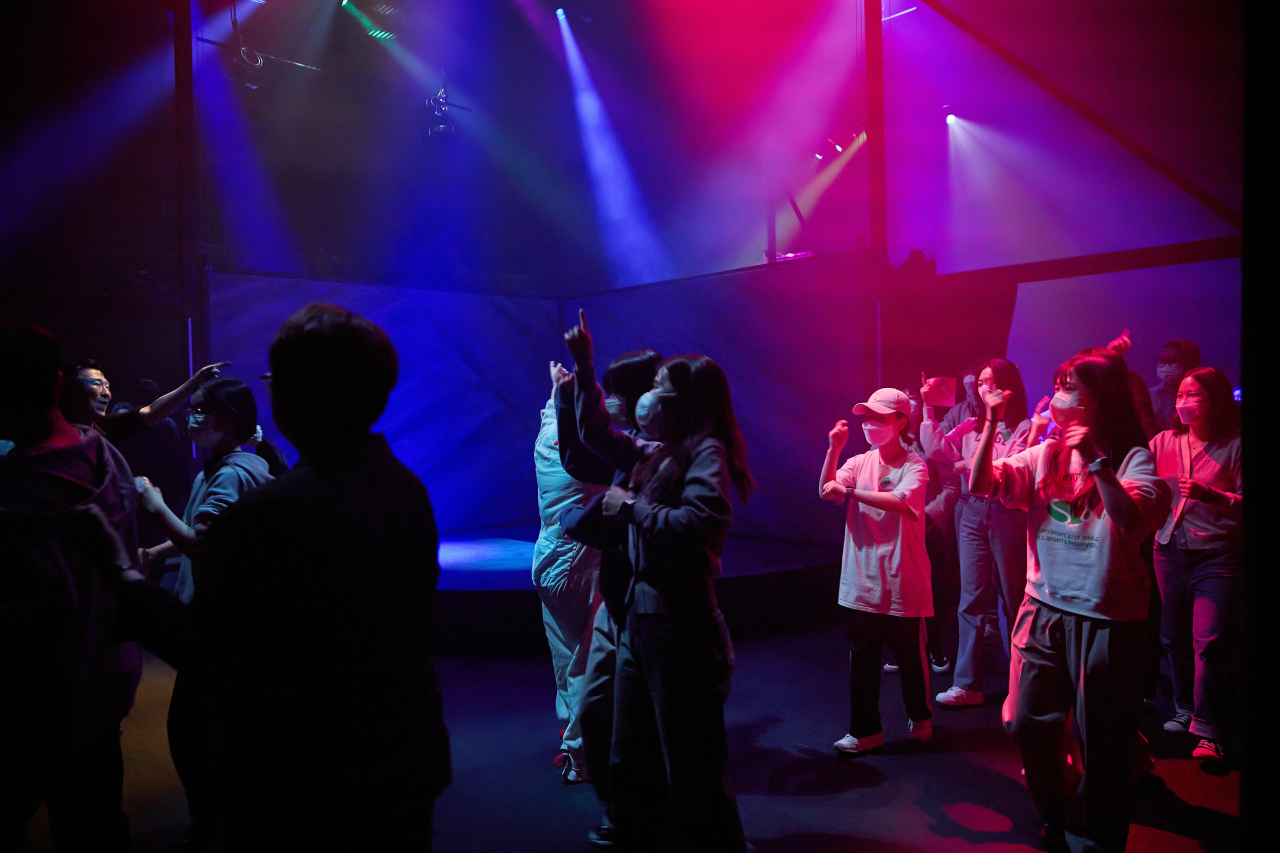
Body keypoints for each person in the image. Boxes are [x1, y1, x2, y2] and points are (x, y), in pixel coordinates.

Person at [107, 303, 451, 850]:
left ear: (291, 395)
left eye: (275, 380)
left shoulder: (276, 511)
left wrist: (122, 575)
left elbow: (210, 647)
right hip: (401, 760)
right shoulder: (407, 490)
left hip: (303, 783)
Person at [565, 309, 751, 853]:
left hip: (679, 622)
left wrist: (632, 509)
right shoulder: (657, 450)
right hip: (642, 623)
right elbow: (597, 433)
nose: (649, 398)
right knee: (630, 749)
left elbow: (700, 522)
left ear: (685, 403)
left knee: (693, 760)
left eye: (662, 388)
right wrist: (583, 366)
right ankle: (638, 832)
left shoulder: (705, 452)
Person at [970, 350, 1171, 852]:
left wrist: (1099, 462)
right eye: (1057, 383)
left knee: (1102, 740)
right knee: (1022, 719)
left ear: (1097, 400)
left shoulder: (1133, 458)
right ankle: (1056, 808)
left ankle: (1099, 833)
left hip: (1106, 615)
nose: (1057, 393)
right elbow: (981, 484)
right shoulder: (1045, 453)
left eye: (1068, 386)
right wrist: (993, 420)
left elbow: (1129, 521)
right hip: (1043, 605)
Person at [0, 321, 142, 853]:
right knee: (95, 824)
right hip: (102, 687)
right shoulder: (107, 458)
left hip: (34, 706)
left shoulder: (14, 492)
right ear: (59, 385)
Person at [133, 378, 273, 849]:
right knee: (211, 733)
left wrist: (154, 507)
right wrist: (155, 553)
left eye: (200, 411)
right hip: (224, 627)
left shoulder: (230, 474)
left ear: (230, 420)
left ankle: (214, 830)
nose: (190, 419)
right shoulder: (217, 471)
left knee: (194, 736)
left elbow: (205, 546)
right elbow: (201, 532)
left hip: (220, 629)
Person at [555, 347, 664, 849]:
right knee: (600, 709)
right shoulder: (638, 448)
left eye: (621, 393)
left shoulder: (682, 455)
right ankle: (625, 813)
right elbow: (582, 451)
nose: (615, 402)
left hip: (656, 607)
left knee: (655, 726)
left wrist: (621, 512)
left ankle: (657, 820)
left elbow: (700, 525)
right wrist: (573, 384)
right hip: (618, 597)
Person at [820, 387, 934, 755]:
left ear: (901, 422)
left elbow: (900, 501)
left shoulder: (915, 465)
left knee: (910, 660)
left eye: (878, 418)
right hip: (862, 580)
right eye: (866, 418)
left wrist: (850, 492)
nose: (869, 425)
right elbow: (827, 491)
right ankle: (865, 731)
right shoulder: (858, 462)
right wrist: (834, 449)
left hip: (903, 579)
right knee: (863, 661)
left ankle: (920, 716)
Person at [921, 359, 1032, 707]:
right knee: (970, 596)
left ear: (1008, 388)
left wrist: (968, 463)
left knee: (1014, 597)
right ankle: (967, 684)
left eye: (991, 382)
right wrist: (926, 405)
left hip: (1006, 512)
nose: (983, 388)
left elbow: (1009, 466)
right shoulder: (971, 423)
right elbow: (935, 448)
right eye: (981, 382)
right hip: (970, 510)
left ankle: (1023, 683)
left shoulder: (1023, 426)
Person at [1149, 367, 1242, 763]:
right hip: (1168, 549)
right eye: (1180, 396)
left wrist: (1214, 496)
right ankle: (1183, 707)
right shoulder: (1163, 441)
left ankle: (1208, 729)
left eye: (1194, 396)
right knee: (1172, 634)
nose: (1183, 402)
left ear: (1215, 400)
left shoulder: (1234, 446)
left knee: (1209, 640)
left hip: (1218, 553)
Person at [535, 361, 606, 785]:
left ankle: (572, 741)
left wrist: (557, 389)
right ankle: (581, 755)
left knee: (566, 660)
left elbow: (553, 414)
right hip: (580, 563)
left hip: (547, 559)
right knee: (586, 663)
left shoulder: (546, 440)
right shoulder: (588, 460)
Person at [899, 386, 960, 675]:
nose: (906, 412)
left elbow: (951, 486)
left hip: (929, 527)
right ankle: (905, 650)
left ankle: (935, 646)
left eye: (911, 406)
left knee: (933, 590)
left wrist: (928, 518)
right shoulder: (882, 444)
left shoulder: (929, 443)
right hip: (897, 528)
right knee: (901, 590)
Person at [59, 358, 230, 448]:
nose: (106, 394)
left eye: (107, 386)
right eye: (97, 384)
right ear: (70, 389)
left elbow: (152, 413)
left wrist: (193, 383)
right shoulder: (50, 434)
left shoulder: (106, 426)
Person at [1148, 339, 1201, 435]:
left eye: (1173, 360)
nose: (1166, 366)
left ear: (1190, 363)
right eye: (1162, 360)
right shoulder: (1149, 396)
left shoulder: (1202, 397)